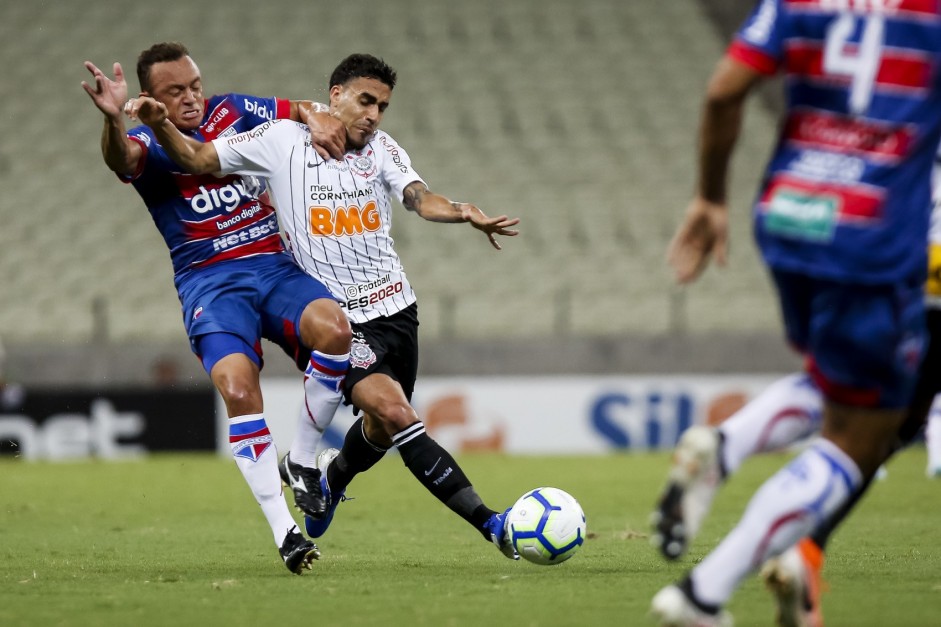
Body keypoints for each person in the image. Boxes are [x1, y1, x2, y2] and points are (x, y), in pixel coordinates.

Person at [125, 53, 523, 557]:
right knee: (397, 413)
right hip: (338, 315)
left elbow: (420, 198)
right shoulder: (277, 141)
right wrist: (160, 128)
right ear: (333, 97)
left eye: (381, 105)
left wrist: (464, 211)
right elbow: (199, 160)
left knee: (380, 425)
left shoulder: (383, 150)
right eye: (364, 100)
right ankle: (493, 524)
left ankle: (331, 479)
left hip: (398, 310)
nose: (373, 114)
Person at [649, 2, 941, 625]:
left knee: (833, 385)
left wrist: (708, 196)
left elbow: (725, 90)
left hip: (790, 218)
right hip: (874, 238)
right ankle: (704, 594)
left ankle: (724, 447)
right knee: (860, 438)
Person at [82, 42, 353, 575]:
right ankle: (285, 532)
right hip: (210, 285)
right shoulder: (142, 138)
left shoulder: (233, 110)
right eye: (175, 91)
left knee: (336, 331)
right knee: (235, 386)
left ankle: (300, 459)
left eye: (195, 85)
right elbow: (122, 159)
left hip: (274, 267)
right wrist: (114, 120)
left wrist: (318, 114)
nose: (191, 98)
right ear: (148, 98)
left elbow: (296, 108)